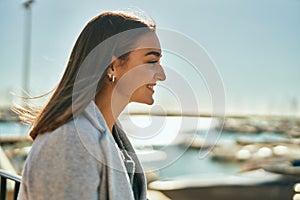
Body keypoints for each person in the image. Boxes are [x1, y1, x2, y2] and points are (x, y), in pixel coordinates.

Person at [17, 11, 166, 200]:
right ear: (113, 65)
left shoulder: (110, 139)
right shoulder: (69, 142)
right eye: (152, 61)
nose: (161, 75)